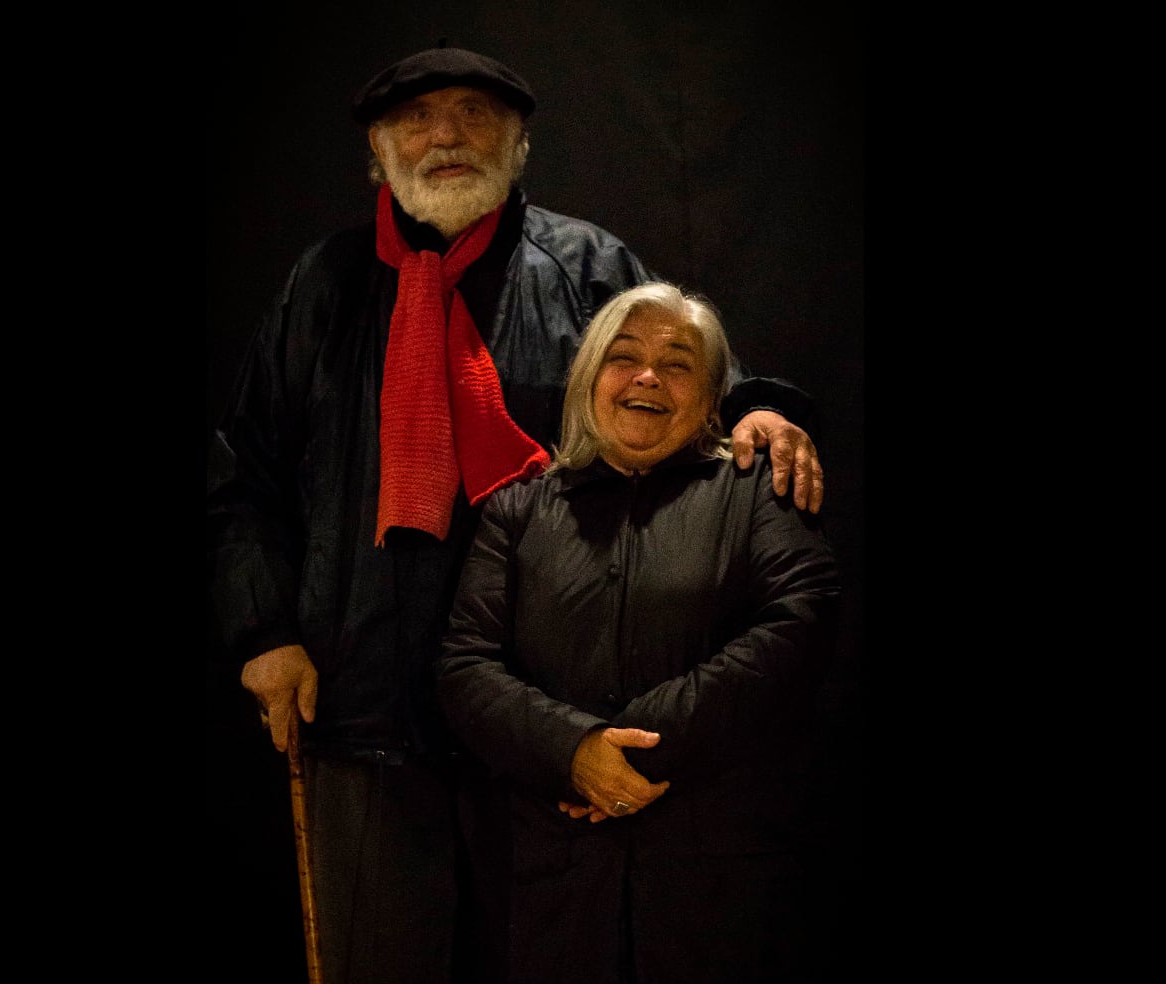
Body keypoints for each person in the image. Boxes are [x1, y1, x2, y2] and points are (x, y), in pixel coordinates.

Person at [207, 46, 827, 984]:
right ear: (378, 148)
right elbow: (242, 470)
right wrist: (263, 629)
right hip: (363, 706)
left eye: (473, 113)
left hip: (547, 725)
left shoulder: (584, 264)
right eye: (417, 118)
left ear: (520, 142)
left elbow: (678, 380)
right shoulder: (323, 285)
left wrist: (759, 413)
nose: (446, 135)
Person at [435, 281, 841, 984]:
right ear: (588, 378)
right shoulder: (517, 511)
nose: (648, 376)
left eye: (678, 362)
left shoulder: (756, 493)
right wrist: (573, 750)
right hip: (553, 887)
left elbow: (800, 617)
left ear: (713, 396)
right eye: (623, 357)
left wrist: (631, 753)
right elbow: (465, 666)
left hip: (721, 884)